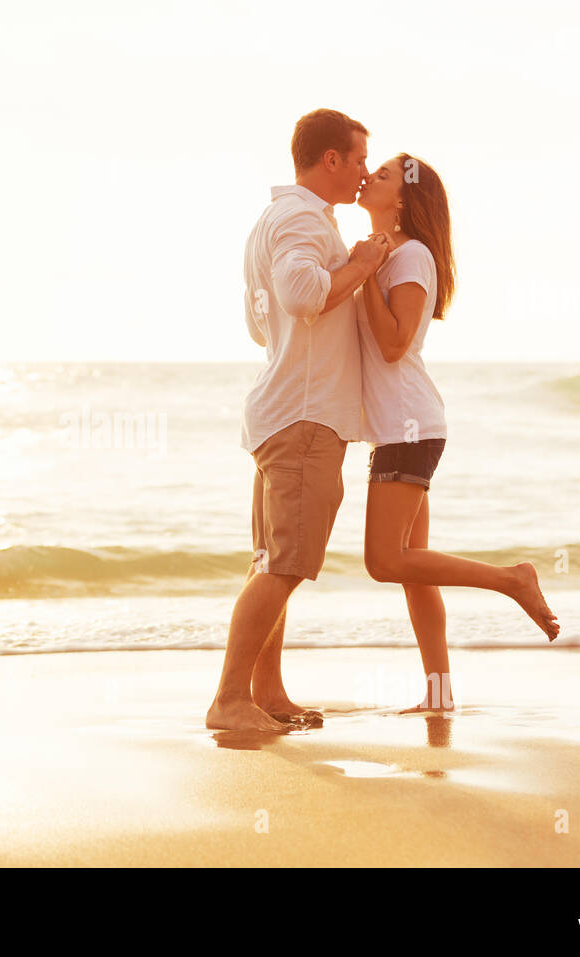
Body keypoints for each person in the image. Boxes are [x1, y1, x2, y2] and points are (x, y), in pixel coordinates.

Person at [354, 153, 559, 712]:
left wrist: (365, 273)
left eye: (385, 175)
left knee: (383, 561)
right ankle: (440, 694)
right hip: (399, 427)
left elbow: (395, 345)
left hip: (408, 426)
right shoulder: (388, 253)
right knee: (415, 572)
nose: (369, 176)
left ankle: (512, 579)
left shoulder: (410, 255)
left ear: (404, 200)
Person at [206, 109, 390, 732]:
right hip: (305, 417)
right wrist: (363, 265)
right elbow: (300, 294)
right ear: (331, 159)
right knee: (285, 566)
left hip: (282, 410)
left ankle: (266, 694)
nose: (366, 170)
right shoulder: (302, 217)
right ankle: (229, 701)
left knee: (272, 561)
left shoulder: (277, 219)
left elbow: (260, 324)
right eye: (361, 158)